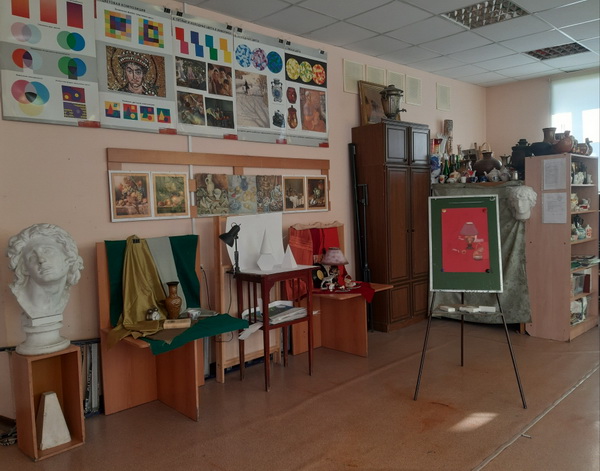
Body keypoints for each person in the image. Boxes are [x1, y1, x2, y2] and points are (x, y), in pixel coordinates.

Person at [7, 224, 84, 354]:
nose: (41, 260)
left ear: (68, 257)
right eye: (32, 257)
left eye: (48, 251)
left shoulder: (62, 298)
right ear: (24, 268)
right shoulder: (26, 300)